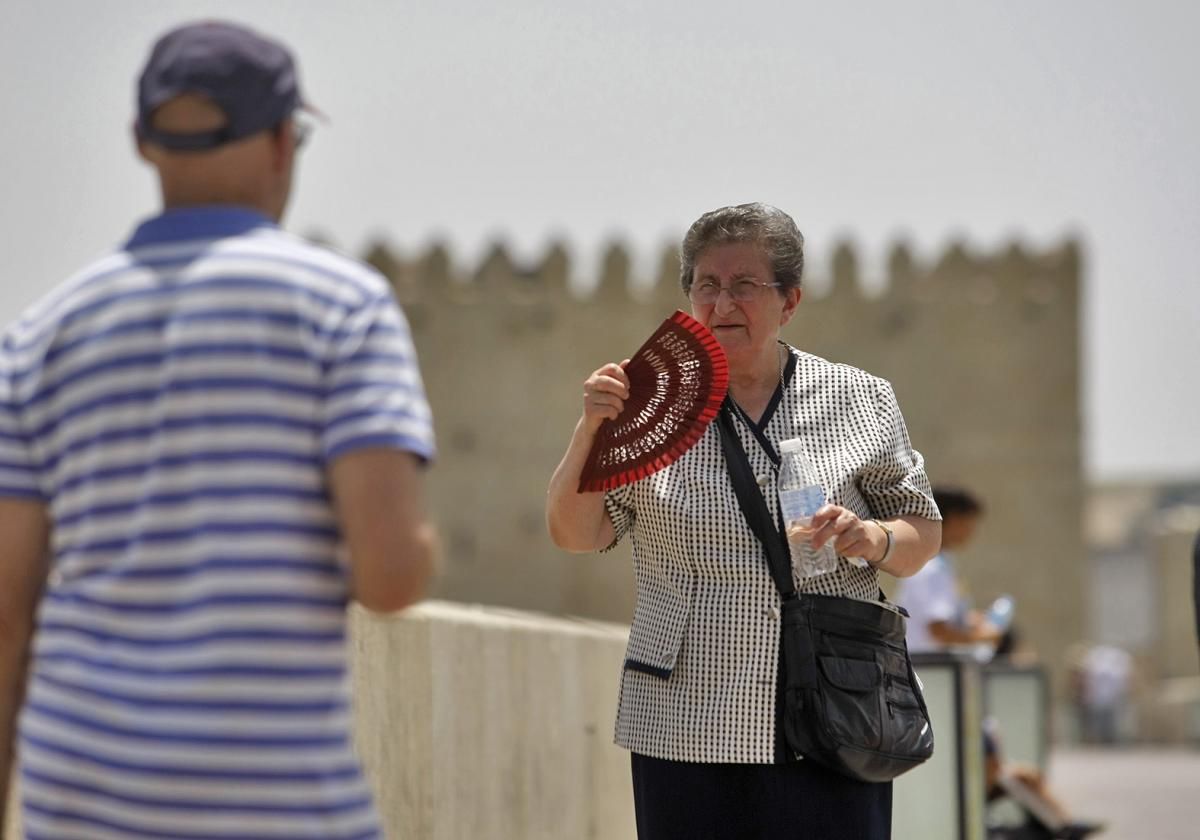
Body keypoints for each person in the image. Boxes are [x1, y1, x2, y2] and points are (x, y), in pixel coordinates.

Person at [0, 21, 436, 838]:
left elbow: (5, 610)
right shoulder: (343, 306)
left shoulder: (40, 334)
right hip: (272, 800)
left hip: (79, 800)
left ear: (141, 143)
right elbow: (389, 575)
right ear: (281, 141)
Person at [546, 202, 942, 839]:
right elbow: (575, 532)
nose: (722, 301)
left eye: (745, 285)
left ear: (789, 302)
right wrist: (591, 429)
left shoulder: (860, 398)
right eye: (706, 284)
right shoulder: (648, 402)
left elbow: (921, 532)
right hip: (683, 716)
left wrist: (871, 539)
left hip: (831, 712)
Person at [894, 486, 1004, 655]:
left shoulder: (937, 562)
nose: (972, 530)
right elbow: (939, 631)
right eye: (968, 521)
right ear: (952, 519)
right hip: (928, 669)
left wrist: (968, 620)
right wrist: (983, 637)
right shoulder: (932, 567)